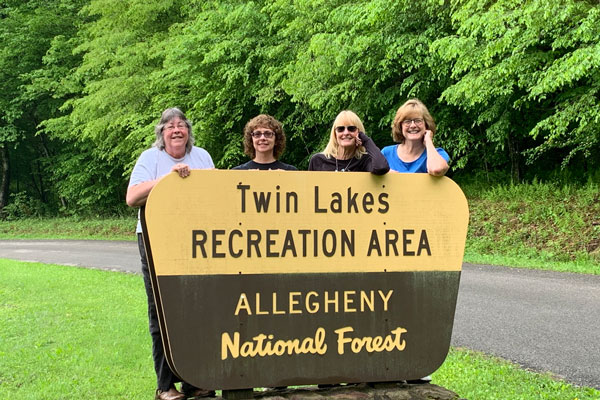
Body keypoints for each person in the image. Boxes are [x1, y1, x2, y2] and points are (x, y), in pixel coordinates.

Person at [126, 108, 215, 400]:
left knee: (196, 310)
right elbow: (132, 197)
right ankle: (165, 386)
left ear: (188, 132)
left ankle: (195, 380)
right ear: (161, 133)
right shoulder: (150, 159)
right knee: (161, 310)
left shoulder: (201, 156)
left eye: (181, 126)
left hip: (196, 241)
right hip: (156, 240)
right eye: (170, 126)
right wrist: (168, 179)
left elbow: (215, 192)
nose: (176, 130)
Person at [381, 99, 449, 176]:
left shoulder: (438, 153)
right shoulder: (386, 153)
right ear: (400, 126)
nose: (413, 125)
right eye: (407, 121)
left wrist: (428, 141)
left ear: (426, 124)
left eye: (418, 120)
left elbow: (437, 169)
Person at [308, 110, 389, 174]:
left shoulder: (365, 161)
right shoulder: (318, 161)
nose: (346, 133)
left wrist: (366, 141)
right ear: (334, 134)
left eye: (351, 128)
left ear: (359, 132)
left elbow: (381, 167)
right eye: (340, 129)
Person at [233, 114, 297, 170]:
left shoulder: (290, 172)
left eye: (268, 134)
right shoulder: (238, 173)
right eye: (257, 134)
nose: (262, 138)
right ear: (251, 140)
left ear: (276, 140)